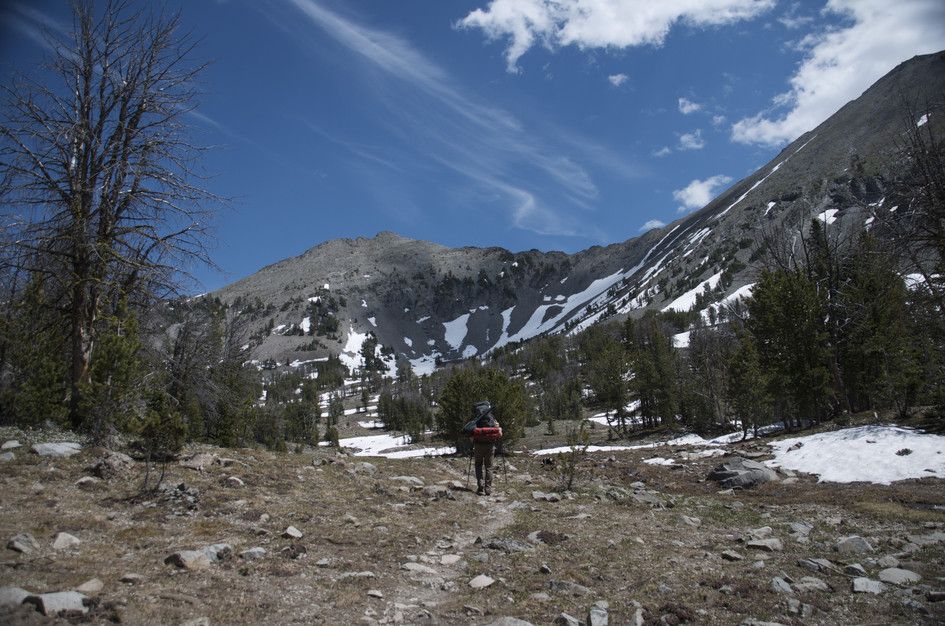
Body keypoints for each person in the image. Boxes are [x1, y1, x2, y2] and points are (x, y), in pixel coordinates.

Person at [463, 400, 502, 495]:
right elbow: (499, 433)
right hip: (490, 445)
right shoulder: (492, 419)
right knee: (489, 467)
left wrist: (473, 443)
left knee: (478, 465)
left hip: (478, 445)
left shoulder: (477, 419)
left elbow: (471, 434)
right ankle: (488, 489)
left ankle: (480, 488)